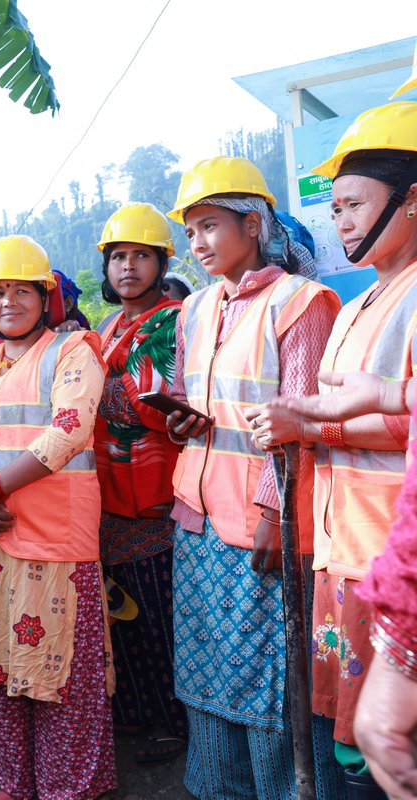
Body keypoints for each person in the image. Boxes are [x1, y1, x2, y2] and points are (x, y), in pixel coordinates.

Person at [244, 100, 417, 798]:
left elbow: (393, 415)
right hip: (341, 547)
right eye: (334, 207)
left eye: (354, 204)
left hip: (391, 555)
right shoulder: (356, 305)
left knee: (388, 742)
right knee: (350, 741)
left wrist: (309, 428)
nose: (340, 220)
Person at [164, 155, 339, 800]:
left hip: (264, 528)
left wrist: (274, 512)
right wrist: (181, 419)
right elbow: (201, 399)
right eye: (191, 233)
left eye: (210, 226)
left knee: (270, 681)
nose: (199, 244)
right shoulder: (194, 311)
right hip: (199, 520)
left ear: (254, 224)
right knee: (208, 676)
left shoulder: (301, 305)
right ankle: (220, 790)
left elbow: (298, 419)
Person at [0, 235, 115, 800]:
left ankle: (69, 790)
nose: (8, 302)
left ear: (45, 297)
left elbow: (69, 431)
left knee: (60, 674)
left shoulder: (73, 351)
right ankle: (13, 785)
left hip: (54, 538)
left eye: (22, 291)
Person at [270, 372, 417, 800]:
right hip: (347, 540)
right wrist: (395, 394)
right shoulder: (359, 311)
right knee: (360, 732)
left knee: (380, 735)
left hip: (380, 548)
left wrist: (313, 430)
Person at [91, 203, 187, 762]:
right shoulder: (108, 328)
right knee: (121, 606)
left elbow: (153, 401)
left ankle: (170, 720)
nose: (128, 267)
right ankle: (133, 708)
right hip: (108, 489)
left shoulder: (176, 320)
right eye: (119, 257)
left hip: (152, 489)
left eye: (141, 256)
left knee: (155, 611)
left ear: (159, 263)